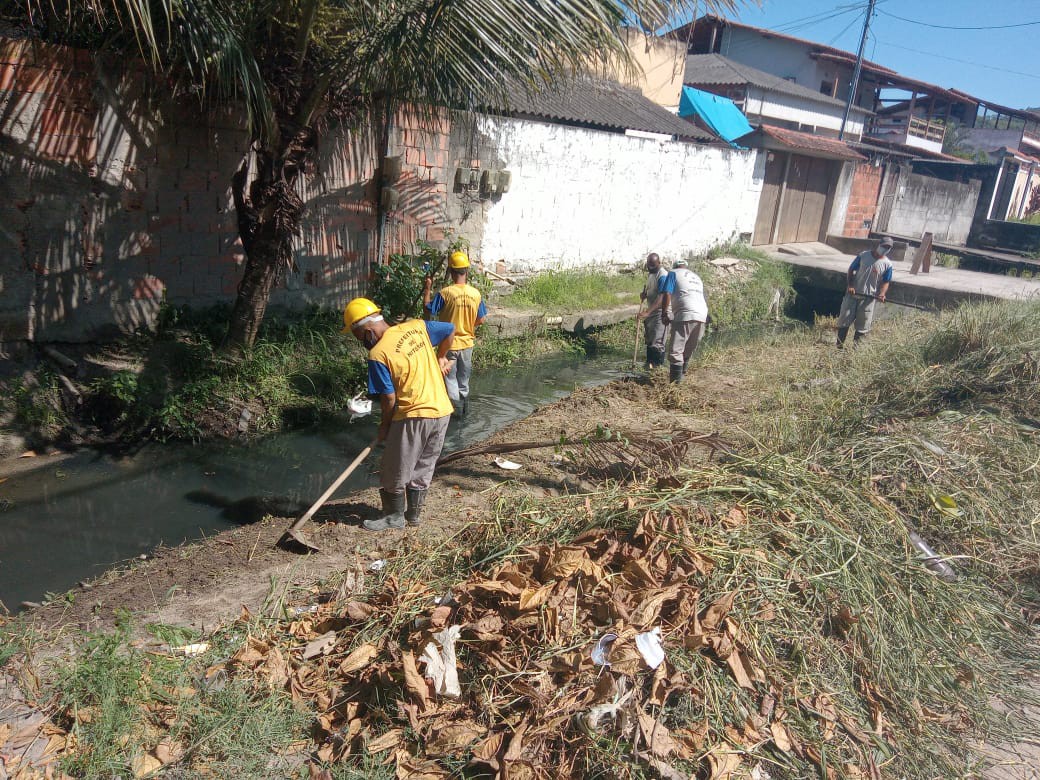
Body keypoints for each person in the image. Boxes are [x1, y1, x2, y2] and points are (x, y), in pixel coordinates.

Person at [342, 297, 455, 531]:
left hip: (414, 414)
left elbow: (389, 399)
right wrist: (441, 357)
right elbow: (449, 329)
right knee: (424, 465)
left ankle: (394, 517)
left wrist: (385, 427)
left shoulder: (378, 354)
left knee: (394, 468)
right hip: (442, 410)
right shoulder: (417, 327)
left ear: (368, 330)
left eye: (359, 337)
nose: (362, 342)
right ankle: (413, 515)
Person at [423, 250, 488, 416]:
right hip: (468, 345)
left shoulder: (446, 293)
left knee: (449, 380)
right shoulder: (476, 294)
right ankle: (464, 411)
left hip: (449, 344)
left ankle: (453, 414)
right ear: (466, 271)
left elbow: (428, 310)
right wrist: (467, 326)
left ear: (451, 271)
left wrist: (427, 289)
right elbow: (481, 320)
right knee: (463, 380)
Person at [836, 237, 894, 348]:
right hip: (853, 294)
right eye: (884, 246)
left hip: (869, 298)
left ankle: (855, 350)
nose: (885, 249)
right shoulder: (863, 255)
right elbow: (851, 269)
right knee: (844, 322)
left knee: (862, 326)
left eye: (888, 248)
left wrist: (882, 293)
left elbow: (886, 281)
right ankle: (839, 347)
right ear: (879, 245)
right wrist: (850, 285)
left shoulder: (887, 264)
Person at [660, 258, 708, 383]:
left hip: (685, 313)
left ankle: (675, 386)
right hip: (702, 315)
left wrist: (664, 313)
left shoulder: (672, 273)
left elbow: (666, 293)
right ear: (685, 267)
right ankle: (682, 377)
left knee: (676, 351)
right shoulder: (697, 277)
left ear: (675, 266)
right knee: (688, 348)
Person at [636, 253, 669, 368]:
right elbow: (652, 291)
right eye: (648, 264)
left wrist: (647, 312)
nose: (650, 267)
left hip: (660, 313)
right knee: (650, 341)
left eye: (653, 265)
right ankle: (649, 366)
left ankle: (657, 369)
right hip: (652, 312)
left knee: (657, 343)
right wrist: (645, 295)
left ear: (659, 263)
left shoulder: (662, 275)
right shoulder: (651, 274)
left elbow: (662, 297)